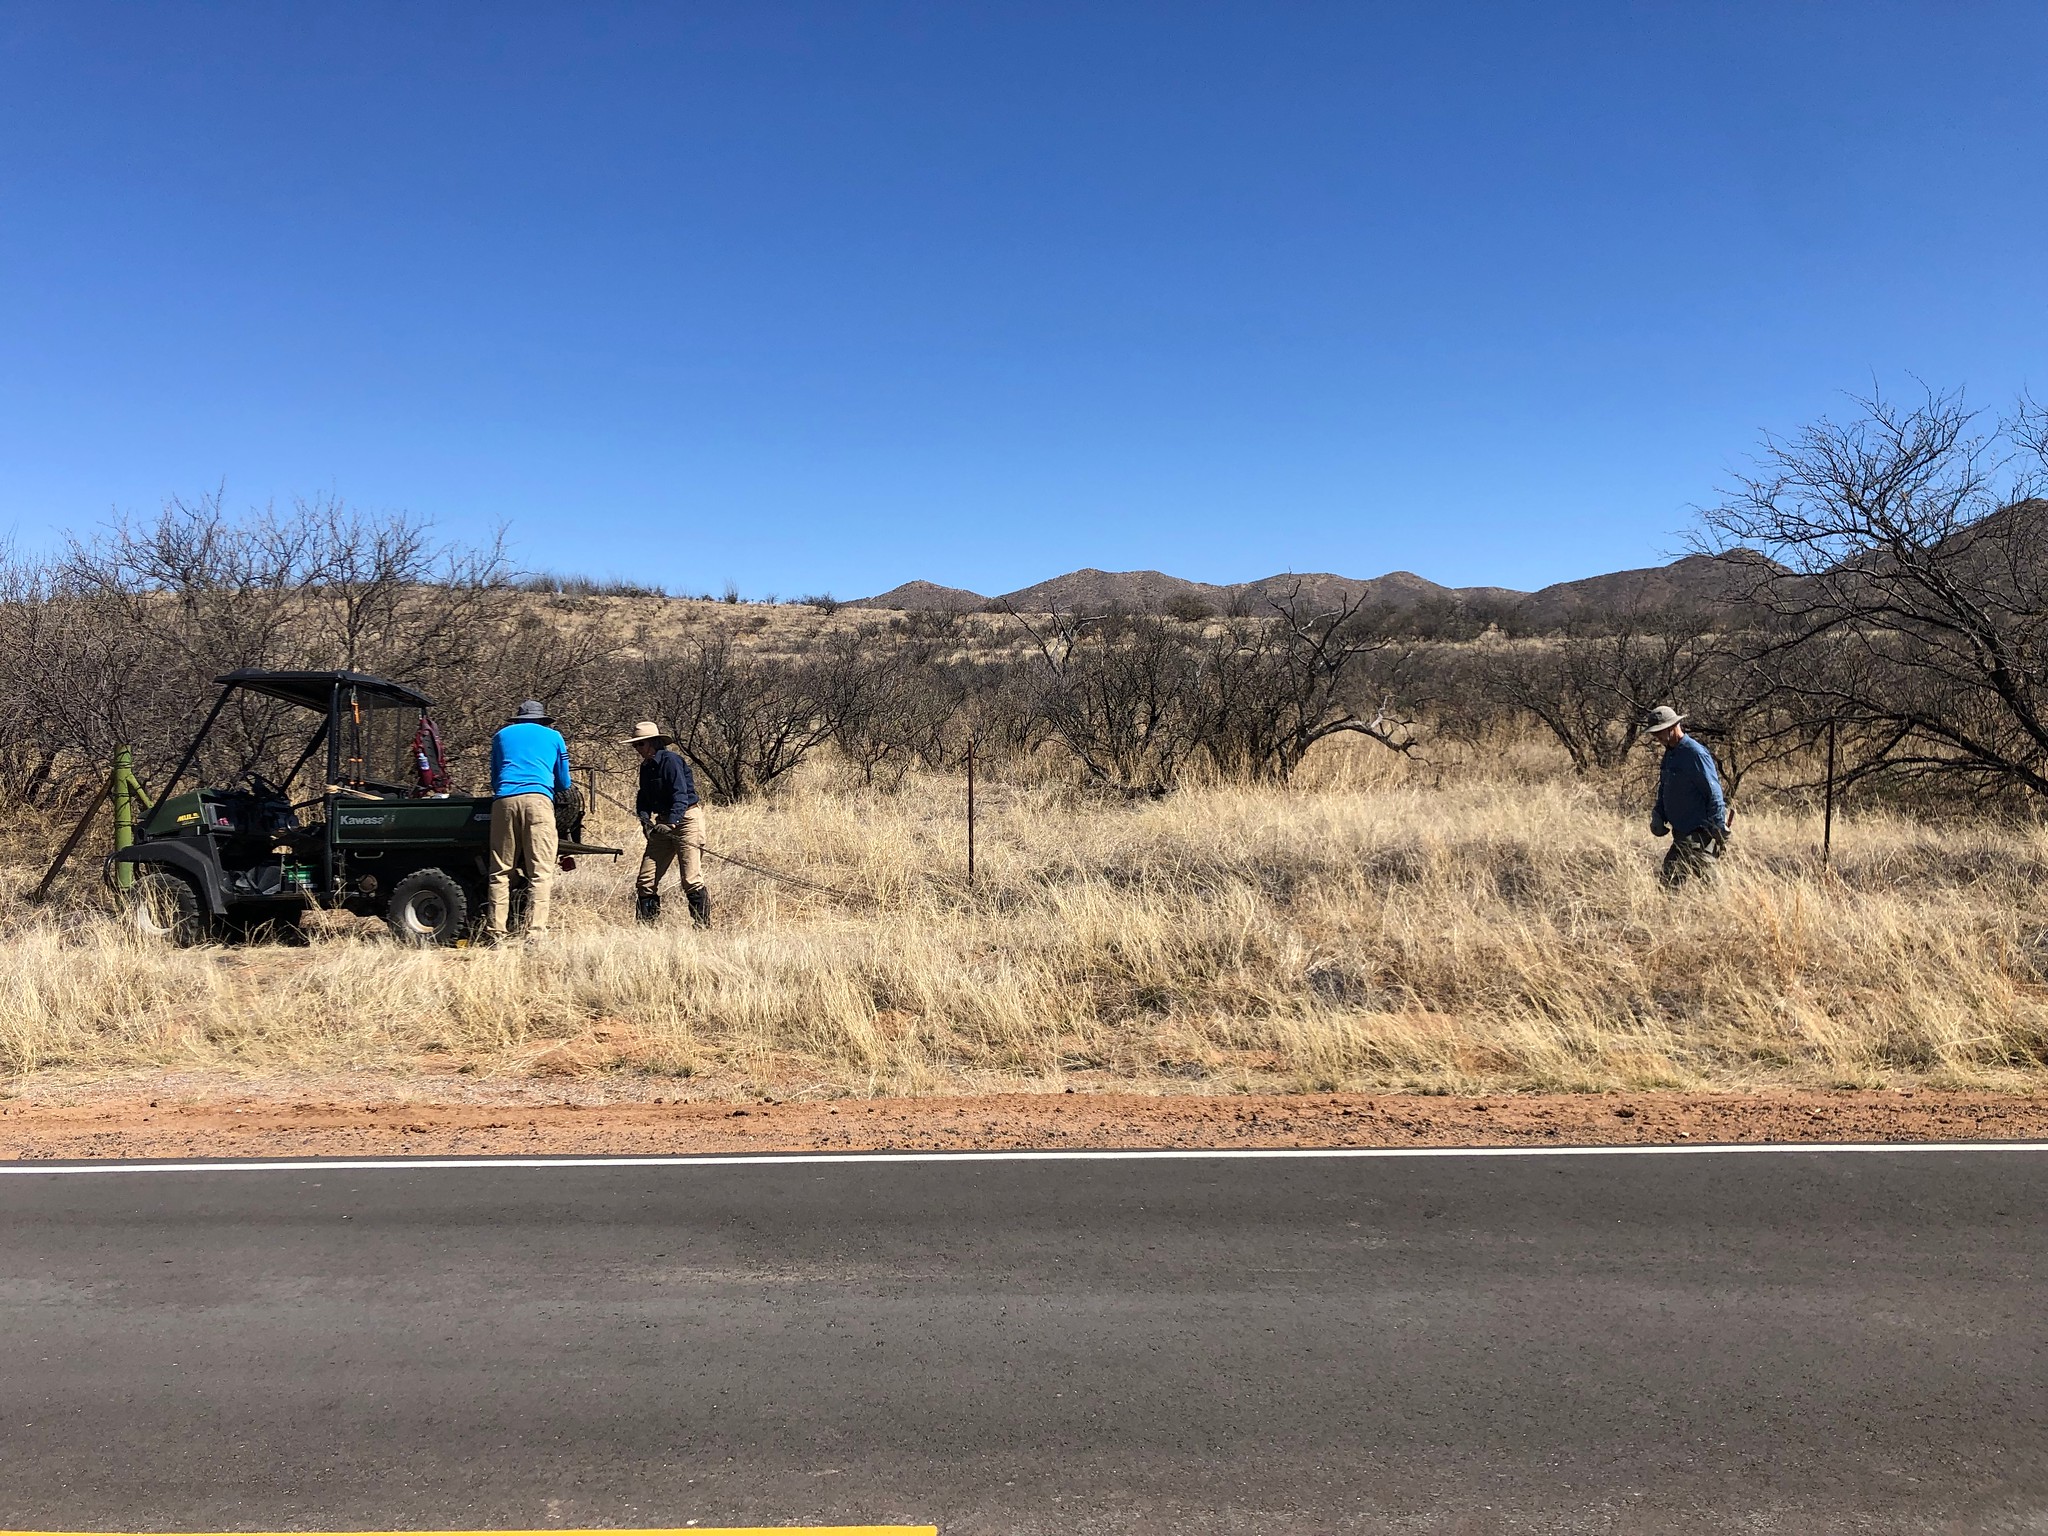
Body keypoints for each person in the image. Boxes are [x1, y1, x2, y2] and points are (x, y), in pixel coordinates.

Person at [487, 699, 573, 940]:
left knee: (500, 871)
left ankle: (496, 932)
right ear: (542, 719)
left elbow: (494, 776)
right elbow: (564, 782)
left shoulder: (501, 736)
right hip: (538, 800)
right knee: (540, 871)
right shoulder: (554, 737)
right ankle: (535, 933)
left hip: (504, 801)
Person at [622, 720, 710, 928]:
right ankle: (646, 928)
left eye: (639, 745)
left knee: (690, 878)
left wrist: (672, 823)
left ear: (652, 743)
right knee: (645, 880)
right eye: (635, 746)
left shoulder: (671, 761)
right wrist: (645, 820)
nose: (637, 749)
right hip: (661, 823)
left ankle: (702, 927)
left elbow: (680, 793)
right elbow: (643, 797)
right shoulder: (646, 767)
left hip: (686, 819)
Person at [1645, 705, 1729, 887]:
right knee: (1671, 881)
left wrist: (1718, 825)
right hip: (1681, 831)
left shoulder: (1695, 753)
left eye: (1659, 731)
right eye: (1654, 733)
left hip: (1698, 831)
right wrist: (1659, 813)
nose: (1656, 737)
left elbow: (1713, 791)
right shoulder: (1670, 753)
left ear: (1672, 727)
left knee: (1708, 884)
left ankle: (1728, 912)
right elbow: (1665, 786)